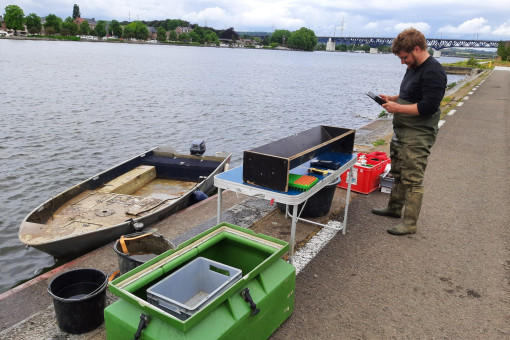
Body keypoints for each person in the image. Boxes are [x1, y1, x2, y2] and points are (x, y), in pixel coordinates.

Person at [372, 28, 447, 235]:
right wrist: (394, 99)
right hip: (403, 129)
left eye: (404, 57)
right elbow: (411, 93)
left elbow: (428, 106)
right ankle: (394, 208)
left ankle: (410, 223)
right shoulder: (413, 67)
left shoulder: (434, 71)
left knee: (413, 178)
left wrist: (397, 109)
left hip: (419, 133)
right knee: (398, 170)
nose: (402, 62)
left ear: (416, 49)